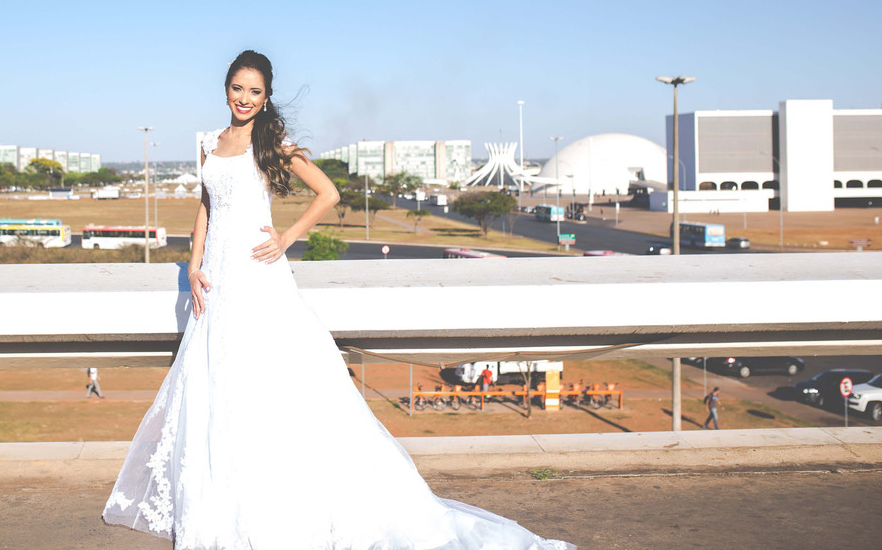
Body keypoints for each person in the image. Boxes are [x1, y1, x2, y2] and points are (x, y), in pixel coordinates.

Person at [103, 50, 573, 549]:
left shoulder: (272, 144)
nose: (245, 98)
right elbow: (206, 204)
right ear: (226, 89)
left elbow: (326, 193)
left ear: (266, 97)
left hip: (258, 278)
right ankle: (224, 502)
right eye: (238, 88)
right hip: (216, 283)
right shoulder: (208, 143)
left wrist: (285, 239)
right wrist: (194, 263)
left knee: (268, 387)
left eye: (255, 91)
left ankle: (274, 506)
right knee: (220, 384)